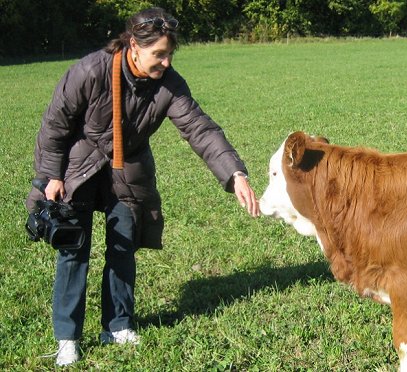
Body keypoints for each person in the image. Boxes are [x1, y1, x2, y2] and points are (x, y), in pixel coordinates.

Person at [25, 7, 260, 366]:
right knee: (74, 251)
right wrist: (51, 176)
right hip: (78, 166)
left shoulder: (169, 85)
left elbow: (200, 128)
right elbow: (55, 125)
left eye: (170, 54)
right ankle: (67, 337)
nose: (166, 63)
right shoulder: (90, 71)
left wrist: (234, 173)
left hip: (128, 170)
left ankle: (117, 325)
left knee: (124, 246)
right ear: (133, 45)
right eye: (159, 54)